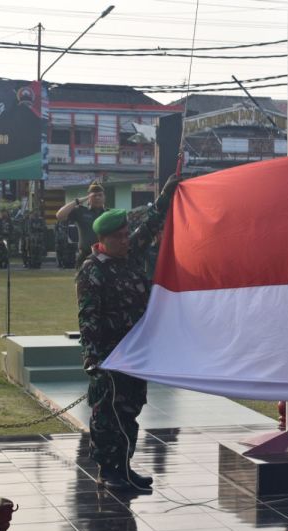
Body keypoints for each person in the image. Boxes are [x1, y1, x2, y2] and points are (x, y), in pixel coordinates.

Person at [76, 175, 180, 491]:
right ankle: (108, 470)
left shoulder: (128, 255)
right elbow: (88, 317)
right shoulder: (93, 268)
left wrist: (166, 195)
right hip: (110, 356)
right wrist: (95, 359)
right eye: (120, 237)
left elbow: (149, 226)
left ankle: (124, 466)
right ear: (103, 240)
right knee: (107, 415)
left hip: (136, 352)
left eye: (126, 235)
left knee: (130, 411)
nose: (126, 240)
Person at [56, 181, 107, 268]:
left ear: (104, 197)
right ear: (89, 198)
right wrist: (77, 201)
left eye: (100, 195)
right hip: (85, 256)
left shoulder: (109, 213)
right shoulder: (81, 211)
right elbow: (60, 215)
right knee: (81, 281)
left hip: (104, 256)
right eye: (94, 195)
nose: (97, 198)